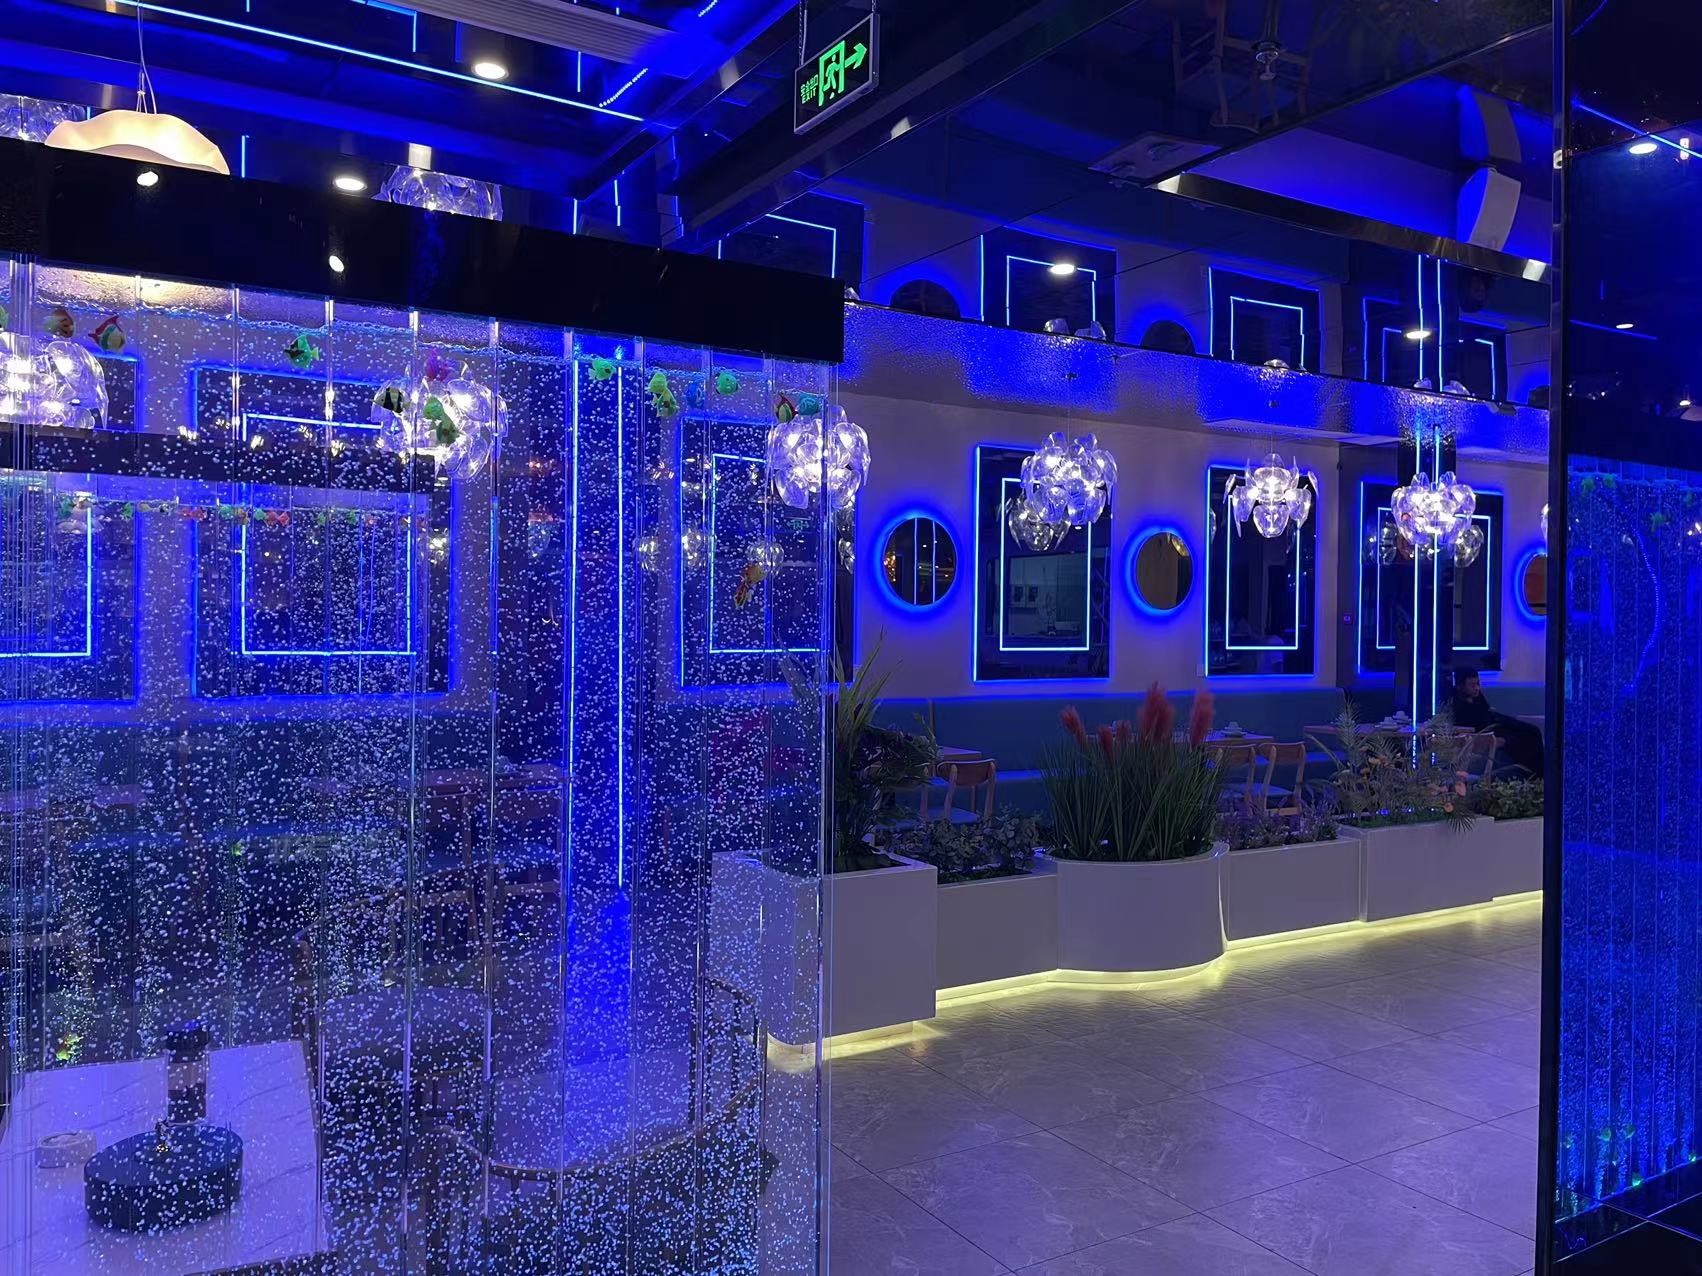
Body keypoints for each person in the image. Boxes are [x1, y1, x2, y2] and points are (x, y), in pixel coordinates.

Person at [1451, 669, 1545, 777]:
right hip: (1488, 732)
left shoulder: (1477, 697)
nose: (1477, 688)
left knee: (1533, 730)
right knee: (1520, 741)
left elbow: (1487, 712)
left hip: (1494, 721)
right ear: (1460, 686)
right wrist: (1492, 739)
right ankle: (1533, 775)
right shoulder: (1456, 705)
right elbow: (1469, 730)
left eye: (1478, 684)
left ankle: (1542, 776)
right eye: (1472, 685)